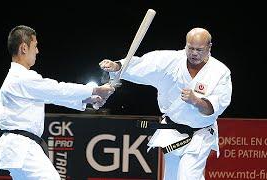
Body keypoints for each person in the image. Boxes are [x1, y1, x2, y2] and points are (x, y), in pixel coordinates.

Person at [99, 27, 232, 180]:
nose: (194, 53)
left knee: (187, 176)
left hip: (200, 135)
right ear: (186, 45)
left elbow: (215, 108)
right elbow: (143, 65)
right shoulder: (171, 60)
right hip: (172, 130)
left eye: (200, 49)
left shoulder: (220, 72)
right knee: (171, 177)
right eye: (191, 48)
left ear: (209, 47)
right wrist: (118, 66)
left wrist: (196, 101)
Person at [0, 25, 114, 180]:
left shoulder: (19, 78)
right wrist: (94, 90)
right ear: (24, 48)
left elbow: (52, 97)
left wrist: (86, 99)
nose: (37, 51)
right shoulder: (21, 78)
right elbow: (57, 90)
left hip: (19, 149)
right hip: (22, 148)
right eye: (35, 46)